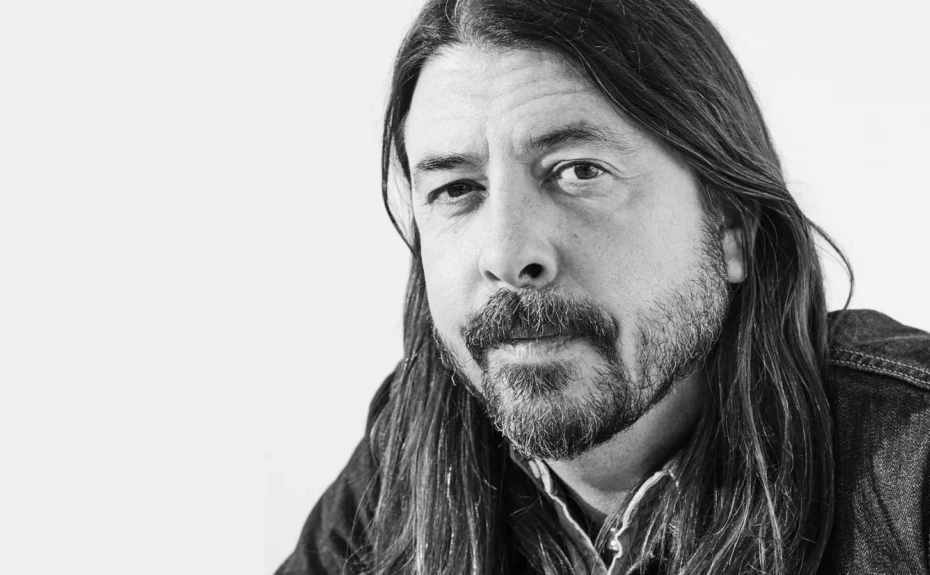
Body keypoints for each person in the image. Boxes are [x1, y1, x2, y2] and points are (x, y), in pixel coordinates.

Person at [277, 0, 930, 573]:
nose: (507, 255)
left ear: (731, 225)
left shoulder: (912, 457)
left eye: (579, 171)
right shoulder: (409, 461)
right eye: (457, 189)